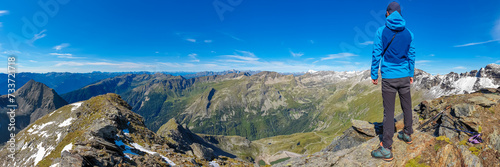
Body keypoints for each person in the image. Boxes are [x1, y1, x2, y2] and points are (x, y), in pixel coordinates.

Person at [370, 1, 415, 162]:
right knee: (407, 106)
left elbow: (376, 53)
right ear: (400, 14)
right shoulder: (409, 33)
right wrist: (410, 72)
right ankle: (408, 134)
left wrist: (374, 73)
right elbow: (411, 55)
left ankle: (387, 148)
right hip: (404, 76)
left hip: (389, 77)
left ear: (388, 13)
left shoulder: (381, 31)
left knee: (388, 112)